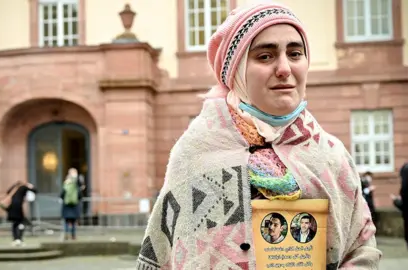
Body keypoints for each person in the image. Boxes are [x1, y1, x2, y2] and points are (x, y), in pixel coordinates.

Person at [136, 2, 381, 269]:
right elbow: (166, 252)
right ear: (237, 71)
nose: (285, 68)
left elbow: (362, 247)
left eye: (295, 53)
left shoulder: (331, 154)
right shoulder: (194, 154)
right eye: (265, 56)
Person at [5, 180, 37, 246]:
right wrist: (30, 186)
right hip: (18, 207)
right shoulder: (23, 187)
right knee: (21, 223)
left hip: (11, 207)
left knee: (15, 224)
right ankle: (19, 238)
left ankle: (16, 239)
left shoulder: (14, 188)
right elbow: (35, 191)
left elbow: (7, 192)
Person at [60, 168, 82, 240]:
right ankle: (73, 235)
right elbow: (79, 195)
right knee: (73, 222)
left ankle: (66, 234)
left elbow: (62, 194)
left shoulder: (66, 183)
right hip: (74, 205)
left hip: (66, 205)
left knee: (67, 221)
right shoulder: (76, 185)